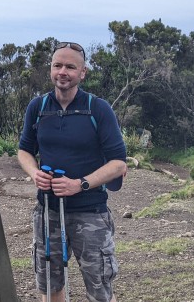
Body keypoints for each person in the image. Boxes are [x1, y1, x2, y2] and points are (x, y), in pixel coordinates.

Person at [17, 42, 127, 302]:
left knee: (100, 287)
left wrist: (80, 184)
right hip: (47, 211)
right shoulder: (38, 107)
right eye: (57, 65)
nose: (62, 72)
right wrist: (34, 173)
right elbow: (24, 151)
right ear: (51, 69)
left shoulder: (97, 109)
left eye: (70, 66)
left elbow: (119, 164)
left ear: (82, 72)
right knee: (49, 284)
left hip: (91, 213)